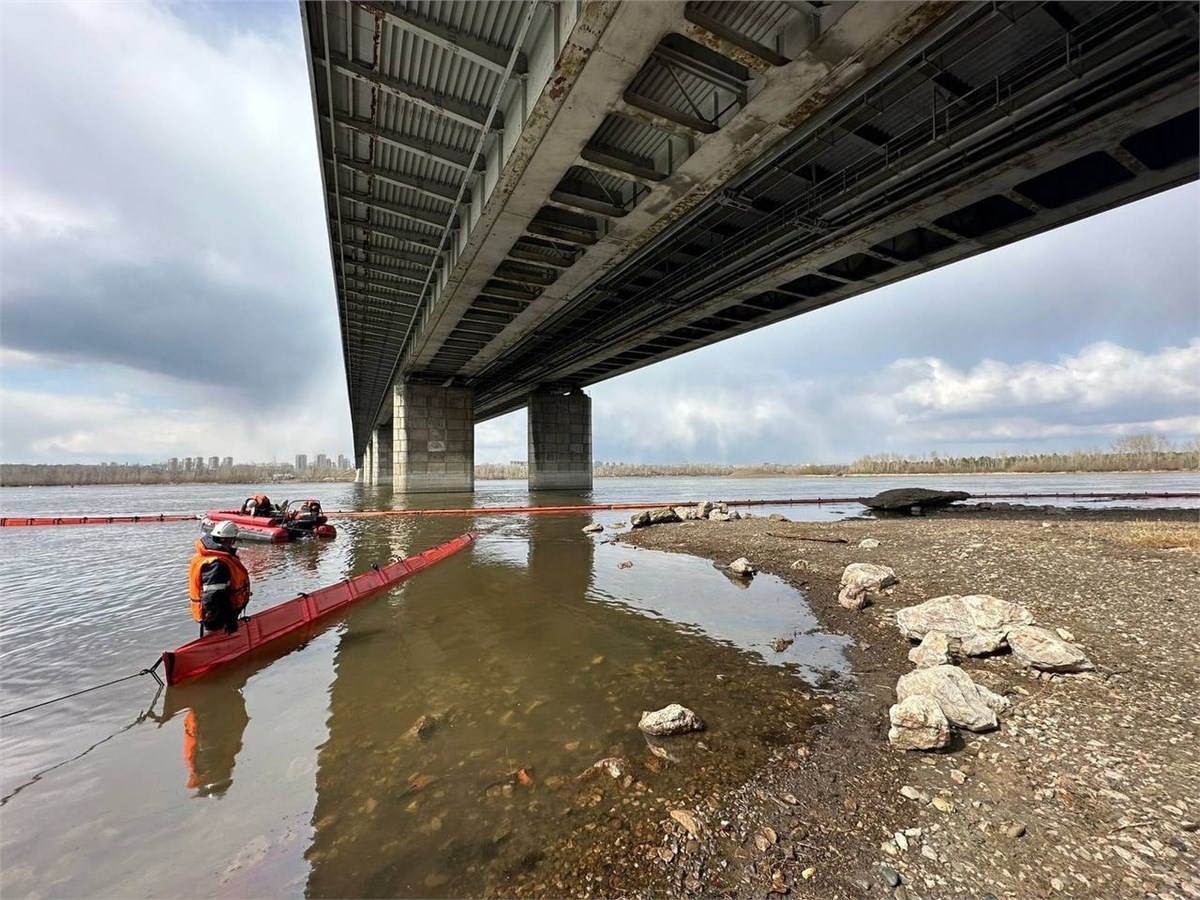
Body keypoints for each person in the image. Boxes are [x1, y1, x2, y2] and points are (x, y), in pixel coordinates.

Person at [189, 521, 251, 634]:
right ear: (229, 539)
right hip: (216, 618)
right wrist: (229, 621)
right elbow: (213, 598)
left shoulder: (207, 556)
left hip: (216, 614)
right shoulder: (217, 563)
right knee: (216, 641)